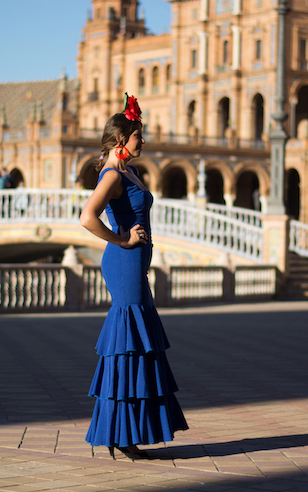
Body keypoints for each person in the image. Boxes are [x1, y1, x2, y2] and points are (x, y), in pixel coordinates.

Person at [80, 93, 188, 459]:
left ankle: (125, 432)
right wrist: (122, 238)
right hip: (123, 263)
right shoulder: (111, 174)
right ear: (121, 141)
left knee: (137, 344)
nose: (144, 141)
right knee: (129, 344)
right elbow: (87, 217)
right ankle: (120, 434)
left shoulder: (130, 171)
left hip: (135, 265)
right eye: (139, 135)